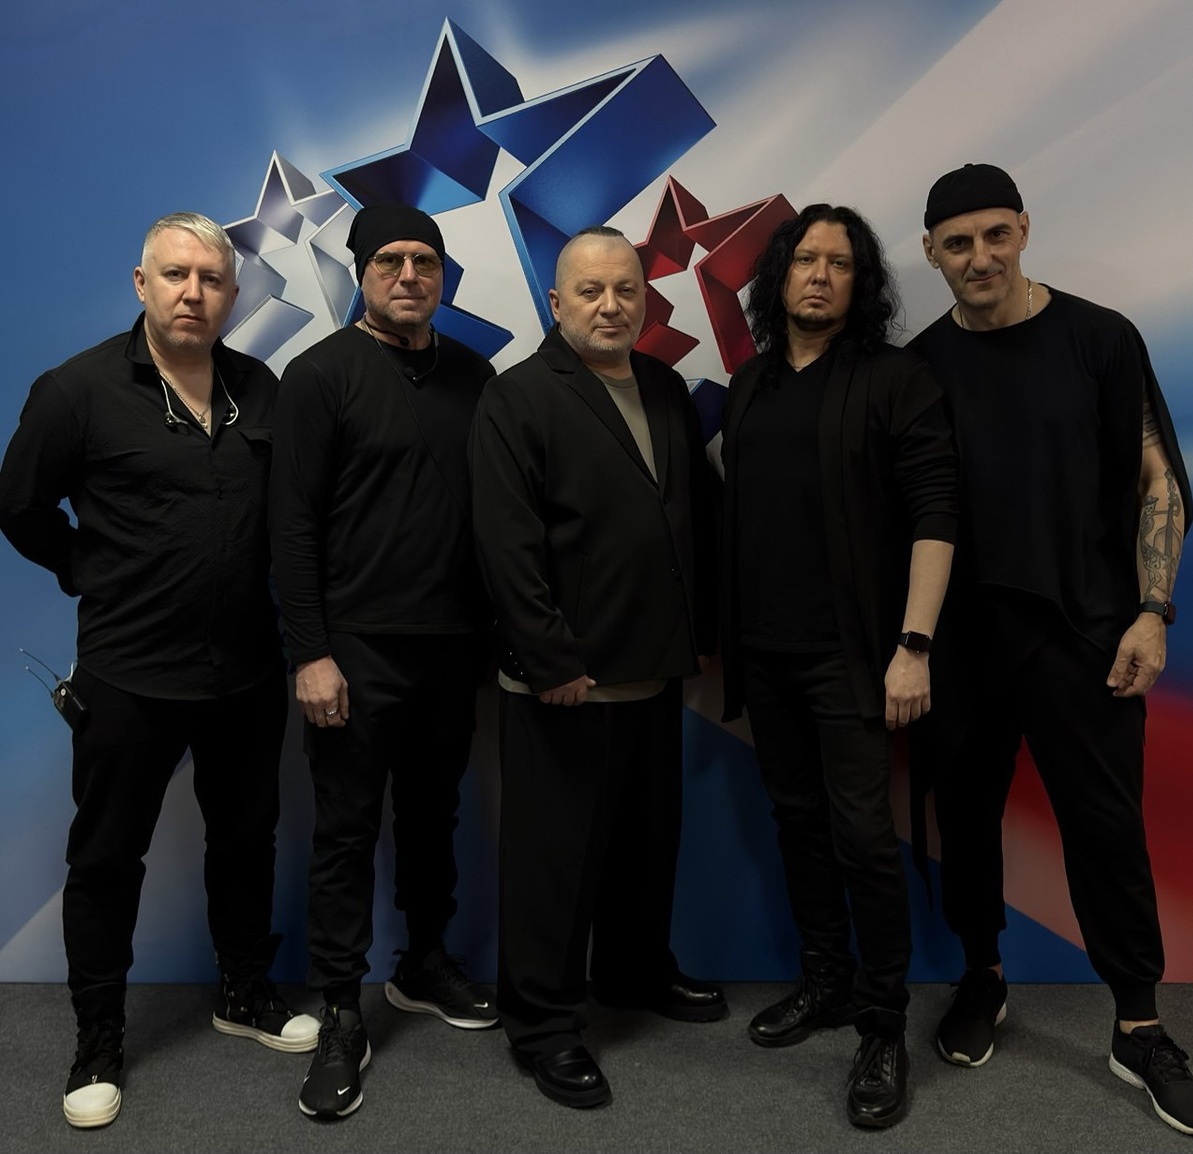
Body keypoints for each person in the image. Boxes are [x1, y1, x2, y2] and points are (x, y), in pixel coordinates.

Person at [0, 212, 318, 1130]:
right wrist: (85, 567)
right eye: (175, 275)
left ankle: (244, 991)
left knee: (247, 840)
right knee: (106, 861)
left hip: (246, 670)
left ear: (233, 294)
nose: (193, 293)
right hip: (129, 672)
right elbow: (18, 506)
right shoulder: (77, 390)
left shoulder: (260, 388)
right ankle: (98, 1042)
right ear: (141, 284)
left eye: (211, 279)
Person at [913, 162, 1193, 1137]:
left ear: (1025, 230)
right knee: (965, 819)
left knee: (1107, 829)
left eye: (996, 233)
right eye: (959, 242)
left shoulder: (1100, 338)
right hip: (964, 640)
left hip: (1087, 632)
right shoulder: (920, 366)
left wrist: (1153, 611)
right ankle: (982, 977)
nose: (980, 256)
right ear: (931, 253)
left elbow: (1159, 481)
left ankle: (1139, 1025)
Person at [470, 225, 724, 1110]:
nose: (612, 306)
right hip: (565, 681)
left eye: (626, 290)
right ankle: (542, 1023)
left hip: (652, 667)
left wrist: (699, 631)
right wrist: (549, 658)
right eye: (591, 291)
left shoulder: (662, 385)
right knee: (555, 863)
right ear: (556, 302)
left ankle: (633, 972)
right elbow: (505, 544)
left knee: (645, 846)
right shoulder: (517, 396)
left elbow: (689, 518)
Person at [719, 205, 956, 1129]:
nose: (820, 275)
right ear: (779, 275)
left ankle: (882, 1026)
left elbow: (936, 514)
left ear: (863, 284)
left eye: (841, 263)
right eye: (805, 259)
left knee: (862, 837)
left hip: (854, 658)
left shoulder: (895, 379)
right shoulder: (750, 382)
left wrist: (914, 646)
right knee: (797, 824)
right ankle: (826, 981)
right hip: (766, 653)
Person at [270, 204, 498, 1121]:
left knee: (435, 817)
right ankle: (340, 1010)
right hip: (354, 653)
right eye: (391, 261)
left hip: (452, 645)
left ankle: (424, 964)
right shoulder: (319, 375)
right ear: (362, 273)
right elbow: (291, 528)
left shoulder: (474, 375)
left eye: (426, 261)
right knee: (345, 831)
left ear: (442, 275)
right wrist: (312, 654)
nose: (410, 275)